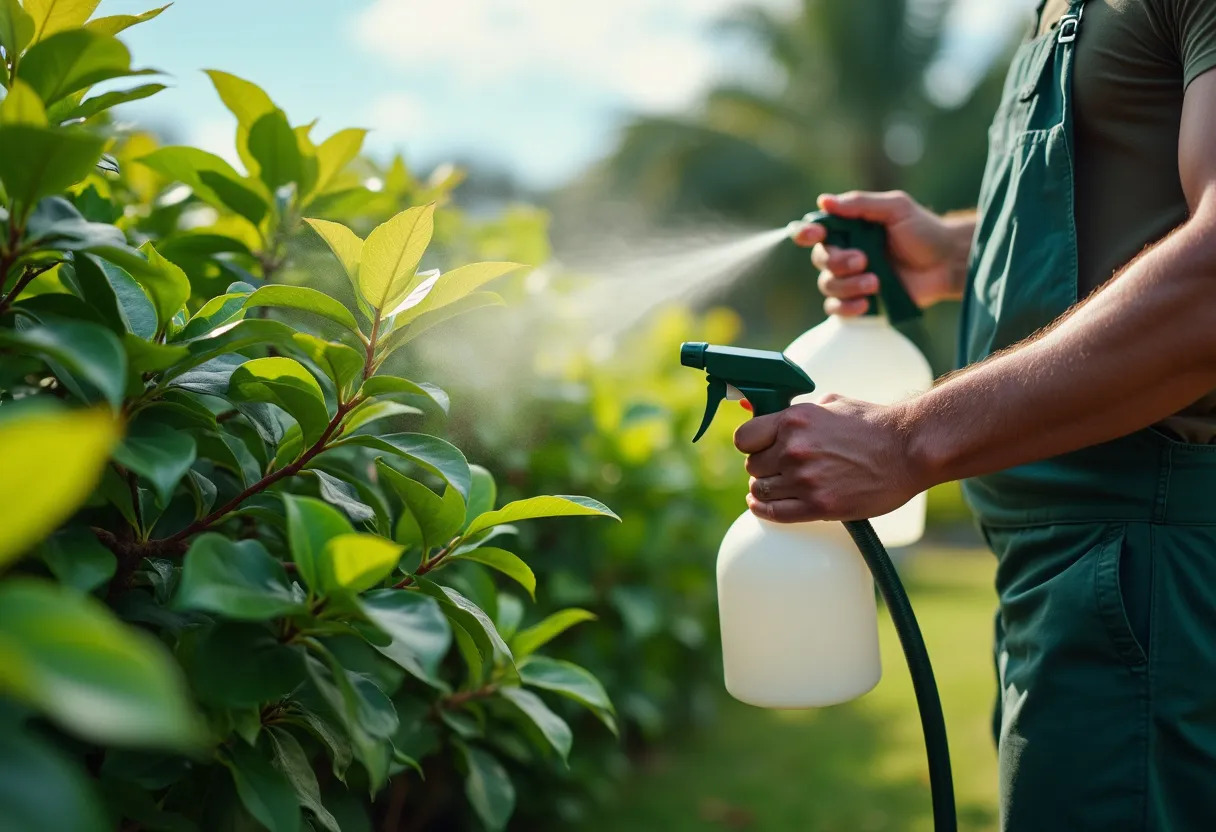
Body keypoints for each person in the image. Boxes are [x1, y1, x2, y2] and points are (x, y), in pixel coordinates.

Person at [735, 1, 1216, 829]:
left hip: (1147, 567)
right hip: (1063, 580)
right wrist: (961, 252)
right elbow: (1127, 207)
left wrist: (909, 439)